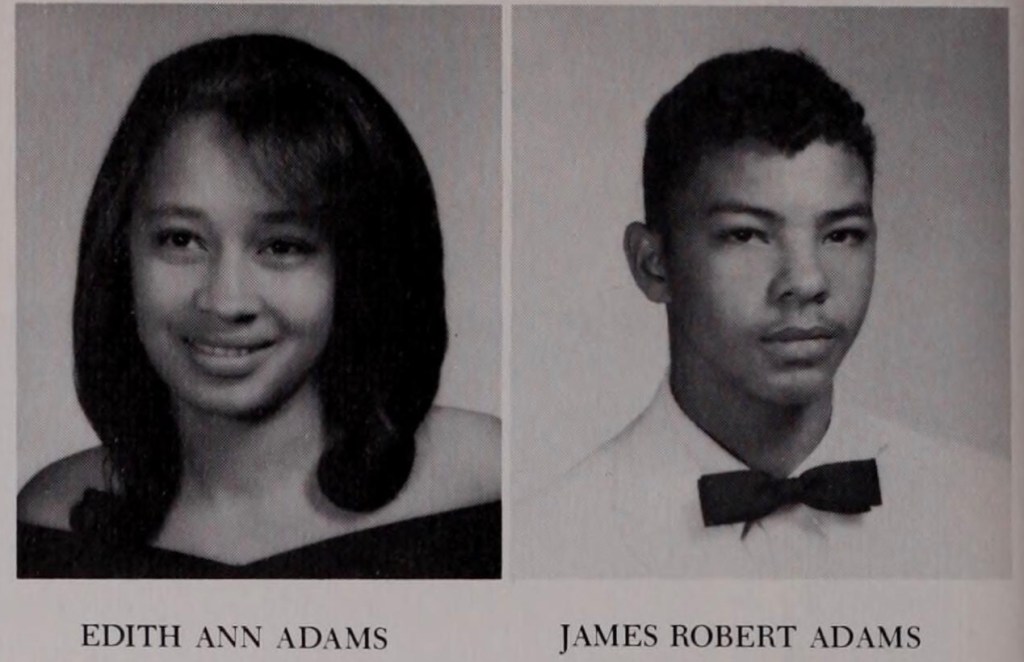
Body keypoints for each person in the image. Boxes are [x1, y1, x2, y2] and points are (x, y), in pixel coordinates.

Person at [17, 34, 500, 579]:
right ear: (119, 253)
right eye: (181, 239)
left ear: (361, 267)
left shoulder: (494, 484)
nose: (225, 300)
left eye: (283, 246)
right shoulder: (48, 522)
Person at [512, 48, 1008, 578]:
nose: (807, 281)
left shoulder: (992, 510)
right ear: (654, 265)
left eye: (841, 234)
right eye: (746, 235)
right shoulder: (544, 547)